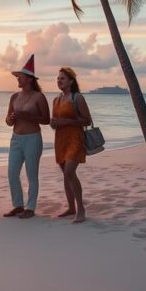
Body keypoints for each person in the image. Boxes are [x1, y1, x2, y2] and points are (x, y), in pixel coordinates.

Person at [4, 55, 50, 219]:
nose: (17, 78)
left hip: (32, 138)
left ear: (29, 79)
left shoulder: (39, 97)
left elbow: (46, 120)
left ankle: (30, 207)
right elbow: (8, 120)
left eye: (20, 76)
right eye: (17, 76)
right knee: (12, 173)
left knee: (32, 174)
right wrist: (11, 119)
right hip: (16, 138)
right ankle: (18, 205)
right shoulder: (14, 97)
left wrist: (26, 115)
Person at [50, 66, 92, 223]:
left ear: (71, 81)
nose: (59, 81)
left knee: (69, 172)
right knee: (65, 175)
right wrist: (53, 123)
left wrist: (67, 121)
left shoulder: (77, 98)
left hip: (75, 139)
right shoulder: (56, 100)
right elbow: (54, 122)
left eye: (62, 78)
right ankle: (71, 207)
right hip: (60, 140)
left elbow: (87, 120)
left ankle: (81, 209)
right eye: (58, 78)